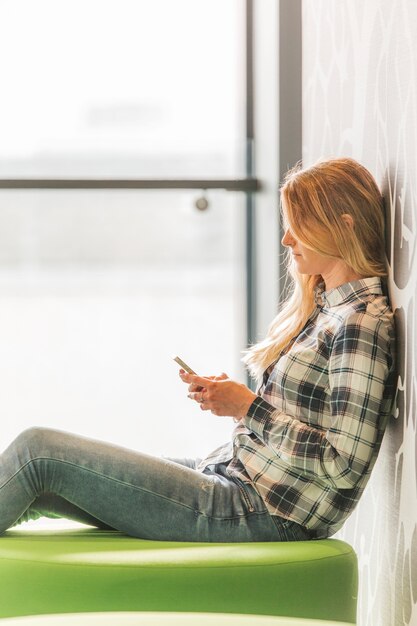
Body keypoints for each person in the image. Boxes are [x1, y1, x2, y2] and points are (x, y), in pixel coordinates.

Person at [0, 157, 396, 542]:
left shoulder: (360, 323)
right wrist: (235, 402)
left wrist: (247, 407)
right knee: (42, 484)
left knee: (37, 452)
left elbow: (342, 464)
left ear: (343, 226)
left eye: (299, 226)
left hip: (260, 510)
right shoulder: (328, 308)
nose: (286, 239)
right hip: (236, 478)